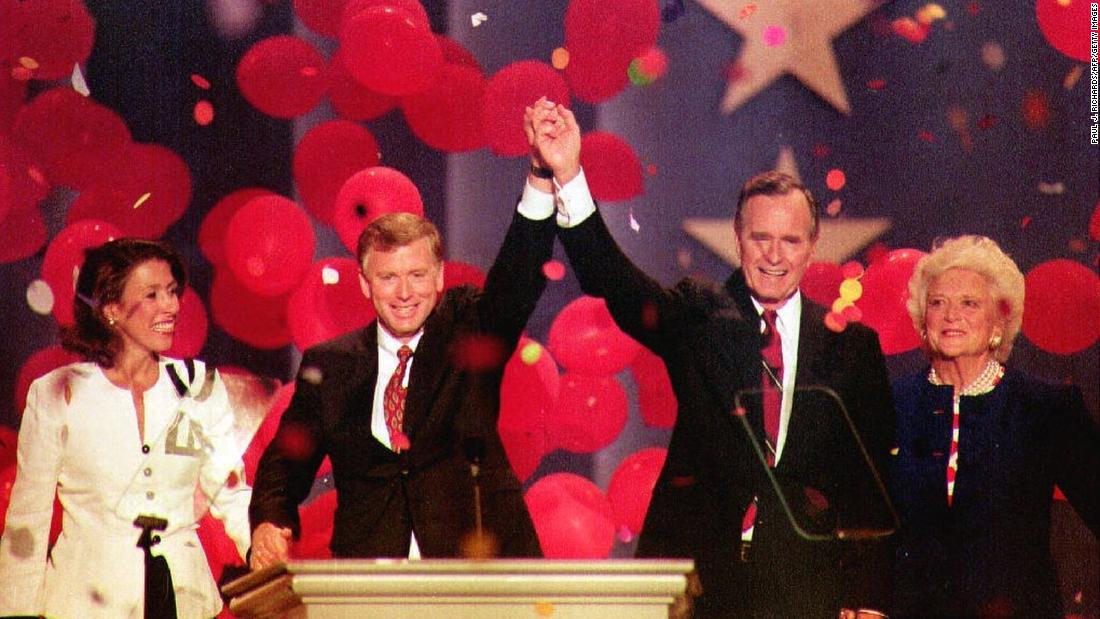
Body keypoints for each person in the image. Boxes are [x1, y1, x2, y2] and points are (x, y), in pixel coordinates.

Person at [523, 99, 895, 618]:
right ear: (738, 239)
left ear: (813, 247)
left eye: (790, 241)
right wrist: (567, 174)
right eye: (760, 238)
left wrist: (868, 598)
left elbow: (869, 479)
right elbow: (616, 284)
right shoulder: (699, 316)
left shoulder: (850, 349)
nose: (774, 255)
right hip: (700, 586)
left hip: (806, 587)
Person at [248, 202, 555, 565]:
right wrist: (270, 522)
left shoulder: (468, 331)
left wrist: (539, 181)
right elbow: (283, 466)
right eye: (388, 277)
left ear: (440, 276)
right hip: (372, 587)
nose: (405, 293)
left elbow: (515, 285)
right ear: (365, 283)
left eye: (417, 275)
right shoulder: (329, 365)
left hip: (479, 578)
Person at [0, 238, 252, 618]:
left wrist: (262, 548)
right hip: (85, 603)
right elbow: (28, 519)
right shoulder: (59, 392)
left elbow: (230, 493)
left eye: (172, 292)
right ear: (111, 309)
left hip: (183, 599)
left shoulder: (198, 386)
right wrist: (16, 612)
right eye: (152, 295)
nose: (172, 306)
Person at [890, 235, 1100, 618]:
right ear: (923, 320)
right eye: (938, 303)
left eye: (969, 303)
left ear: (998, 322)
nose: (951, 315)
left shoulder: (1046, 407)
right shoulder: (891, 403)